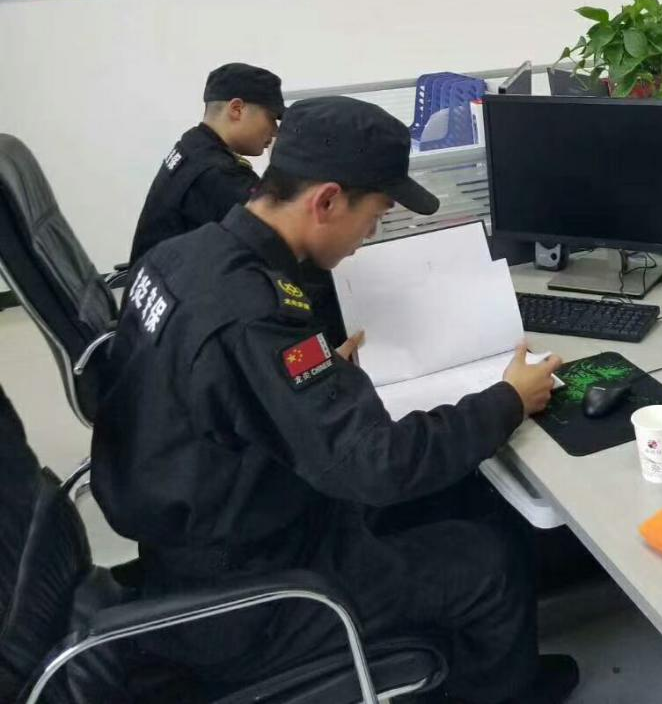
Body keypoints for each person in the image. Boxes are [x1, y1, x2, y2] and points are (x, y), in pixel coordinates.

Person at [92, 96, 578, 704]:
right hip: (255, 593)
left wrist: (306, 383)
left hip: (200, 533)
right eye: (373, 216)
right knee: (488, 561)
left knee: (458, 493)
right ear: (325, 201)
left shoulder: (180, 258)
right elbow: (378, 465)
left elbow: (210, 392)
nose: (368, 237)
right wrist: (508, 399)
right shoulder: (255, 312)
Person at [129, 62, 284, 263]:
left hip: (155, 277)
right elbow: (279, 232)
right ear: (236, 109)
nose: (275, 131)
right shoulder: (219, 173)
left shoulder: (192, 145)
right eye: (271, 118)